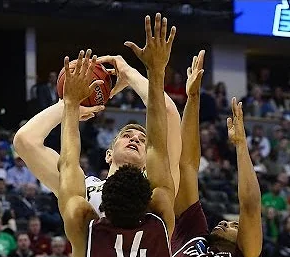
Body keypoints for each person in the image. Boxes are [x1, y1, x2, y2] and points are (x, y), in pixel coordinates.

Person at [13, 33, 181, 219]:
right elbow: (25, 141)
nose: (134, 138)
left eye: (142, 140)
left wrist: (129, 73)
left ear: (148, 159)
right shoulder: (82, 188)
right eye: (126, 135)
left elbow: (168, 113)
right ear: (108, 154)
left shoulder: (157, 185)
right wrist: (68, 104)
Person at [57, 13, 176, 257]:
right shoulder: (161, 213)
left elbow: (67, 165)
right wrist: (156, 71)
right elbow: (158, 148)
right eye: (128, 136)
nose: (135, 140)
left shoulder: (84, 223)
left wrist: (70, 103)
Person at [171, 49, 263, 257]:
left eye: (233, 225)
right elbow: (186, 167)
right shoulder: (190, 237)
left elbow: (250, 206)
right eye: (230, 222)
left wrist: (241, 146)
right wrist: (192, 99)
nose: (225, 222)